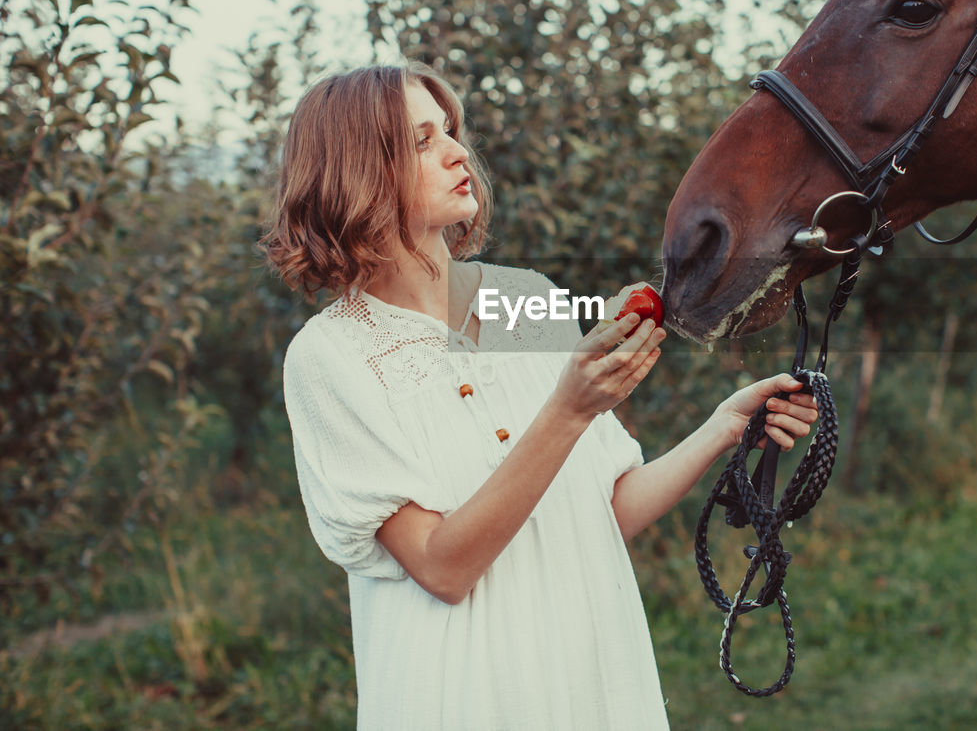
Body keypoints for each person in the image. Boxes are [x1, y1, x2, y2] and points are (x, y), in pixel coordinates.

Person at [260, 61, 819, 730]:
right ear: (355, 170)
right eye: (420, 141)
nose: (457, 151)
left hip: (593, 676)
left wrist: (723, 426)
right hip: (459, 698)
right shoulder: (331, 358)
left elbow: (603, 509)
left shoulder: (528, 299)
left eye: (450, 131)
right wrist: (568, 409)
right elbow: (442, 566)